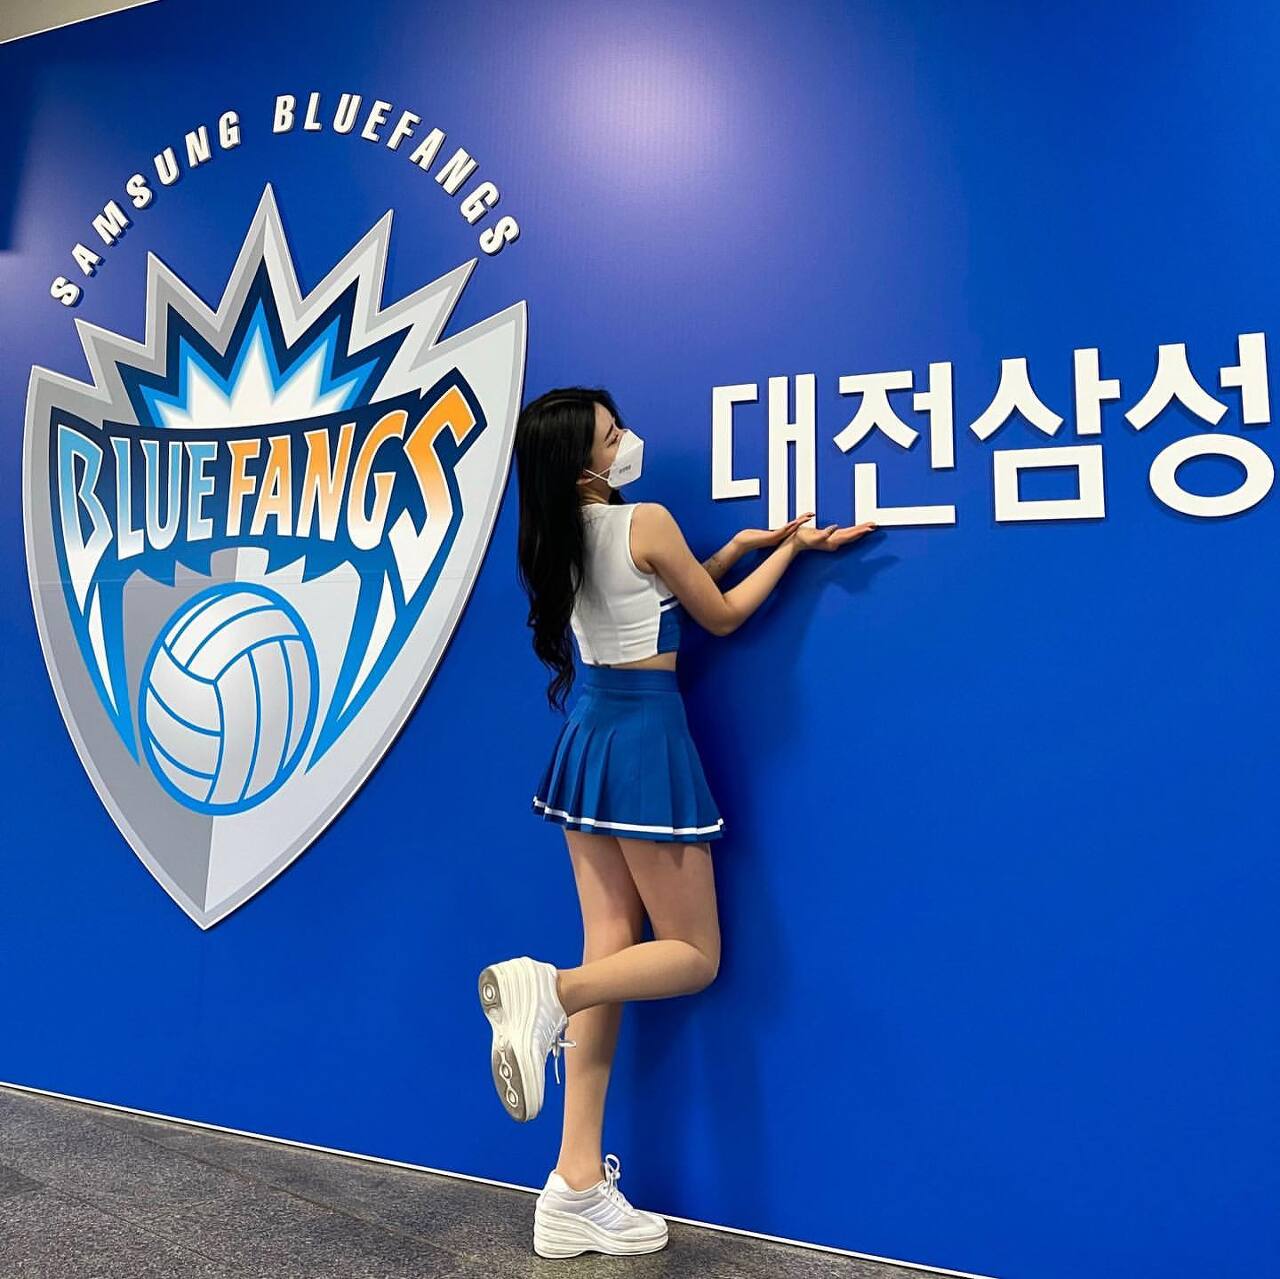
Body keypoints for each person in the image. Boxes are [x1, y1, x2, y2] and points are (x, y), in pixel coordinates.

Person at [477, 387, 875, 1259]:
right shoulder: (646, 520)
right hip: (645, 736)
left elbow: (646, 591)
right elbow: (719, 617)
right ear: (580, 463)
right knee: (692, 955)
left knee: (612, 953)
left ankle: (573, 1185)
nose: (626, 441)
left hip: (588, 732)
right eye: (610, 436)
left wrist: (732, 549)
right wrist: (794, 551)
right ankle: (550, 991)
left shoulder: (554, 534)